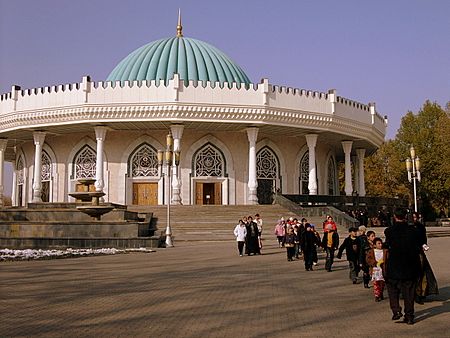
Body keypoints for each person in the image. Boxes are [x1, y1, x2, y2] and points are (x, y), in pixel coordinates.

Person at [384, 208, 421, 325]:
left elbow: (387, 246)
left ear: (394, 216)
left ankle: (396, 310)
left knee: (392, 288)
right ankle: (409, 316)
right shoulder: (413, 230)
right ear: (406, 216)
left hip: (394, 264)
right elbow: (418, 246)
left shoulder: (389, 231)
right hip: (410, 264)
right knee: (409, 291)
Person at [412, 212, 439, 304]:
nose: (415, 219)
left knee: (422, 273)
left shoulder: (420, 227)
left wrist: (424, 245)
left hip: (419, 252)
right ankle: (414, 293)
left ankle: (421, 293)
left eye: (416, 217)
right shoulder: (408, 227)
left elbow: (424, 238)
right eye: (413, 217)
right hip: (411, 253)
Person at [366, 237, 388, 302]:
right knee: (376, 283)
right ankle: (377, 295)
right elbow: (368, 259)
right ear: (375, 245)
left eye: (381, 243)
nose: (380, 245)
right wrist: (374, 263)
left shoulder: (385, 251)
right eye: (378, 243)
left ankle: (380, 293)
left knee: (382, 283)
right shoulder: (371, 251)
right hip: (375, 269)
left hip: (383, 270)